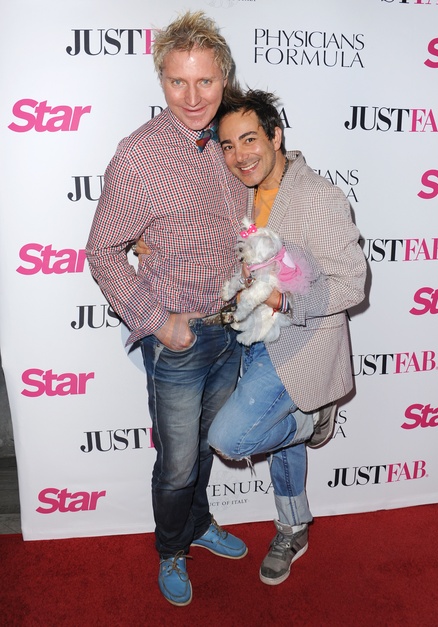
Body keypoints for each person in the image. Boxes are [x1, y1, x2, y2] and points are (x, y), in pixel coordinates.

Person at [85, 12, 249, 607]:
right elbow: (101, 250)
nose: (192, 97)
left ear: (224, 78)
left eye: (205, 81)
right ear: (161, 81)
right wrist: (157, 323)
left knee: (207, 447)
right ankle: (171, 549)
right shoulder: (140, 155)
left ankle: (198, 524)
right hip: (179, 340)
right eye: (178, 82)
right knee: (177, 463)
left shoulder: (234, 142)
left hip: (234, 331)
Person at [207, 89, 367, 585]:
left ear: (275, 136)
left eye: (249, 139)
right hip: (250, 338)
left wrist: (283, 301)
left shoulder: (319, 196)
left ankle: (311, 416)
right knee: (277, 430)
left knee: (229, 438)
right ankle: (293, 527)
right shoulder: (242, 193)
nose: (239, 155)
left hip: (301, 342)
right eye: (228, 145)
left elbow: (352, 283)